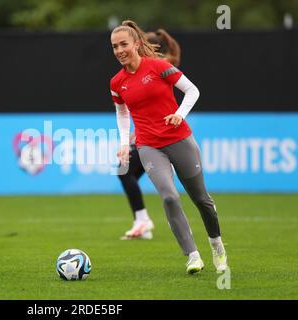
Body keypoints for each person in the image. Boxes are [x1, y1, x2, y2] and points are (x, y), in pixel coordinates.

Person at [110, 20, 228, 274]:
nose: (119, 50)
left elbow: (192, 91)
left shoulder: (159, 67)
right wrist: (122, 144)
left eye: (124, 44)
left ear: (137, 44)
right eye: (114, 46)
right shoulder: (116, 83)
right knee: (169, 197)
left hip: (179, 140)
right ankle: (193, 256)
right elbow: (122, 114)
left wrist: (179, 114)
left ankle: (217, 245)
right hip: (149, 147)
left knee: (202, 200)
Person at [117, 29, 182, 241]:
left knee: (124, 171)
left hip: (158, 137)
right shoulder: (150, 67)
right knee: (126, 172)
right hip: (149, 135)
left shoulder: (156, 67)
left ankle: (142, 220)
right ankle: (141, 220)